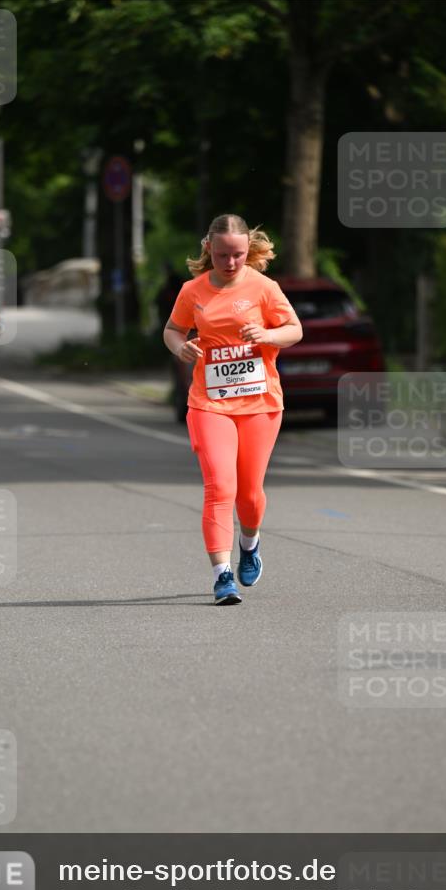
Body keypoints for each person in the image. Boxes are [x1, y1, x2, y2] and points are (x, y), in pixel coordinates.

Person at [163, 213, 302, 605]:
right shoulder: (193, 291)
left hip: (259, 403)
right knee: (220, 486)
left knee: (250, 495)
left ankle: (250, 542)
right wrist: (181, 347)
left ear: (249, 251)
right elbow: (172, 329)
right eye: (223, 254)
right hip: (209, 402)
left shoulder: (264, 287)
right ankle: (222, 575)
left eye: (238, 255)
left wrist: (267, 334)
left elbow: (295, 330)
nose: (230, 263)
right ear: (209, 249)